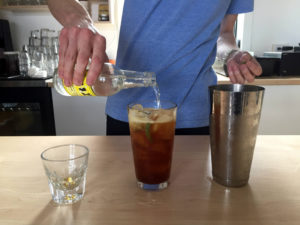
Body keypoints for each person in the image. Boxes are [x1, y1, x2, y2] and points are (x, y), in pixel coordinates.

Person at [48, 0, 262, 135]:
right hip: (129, 113)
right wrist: (80, 23)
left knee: (193, 206)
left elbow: (224, 33)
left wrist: (231, 54)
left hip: (196, 116)